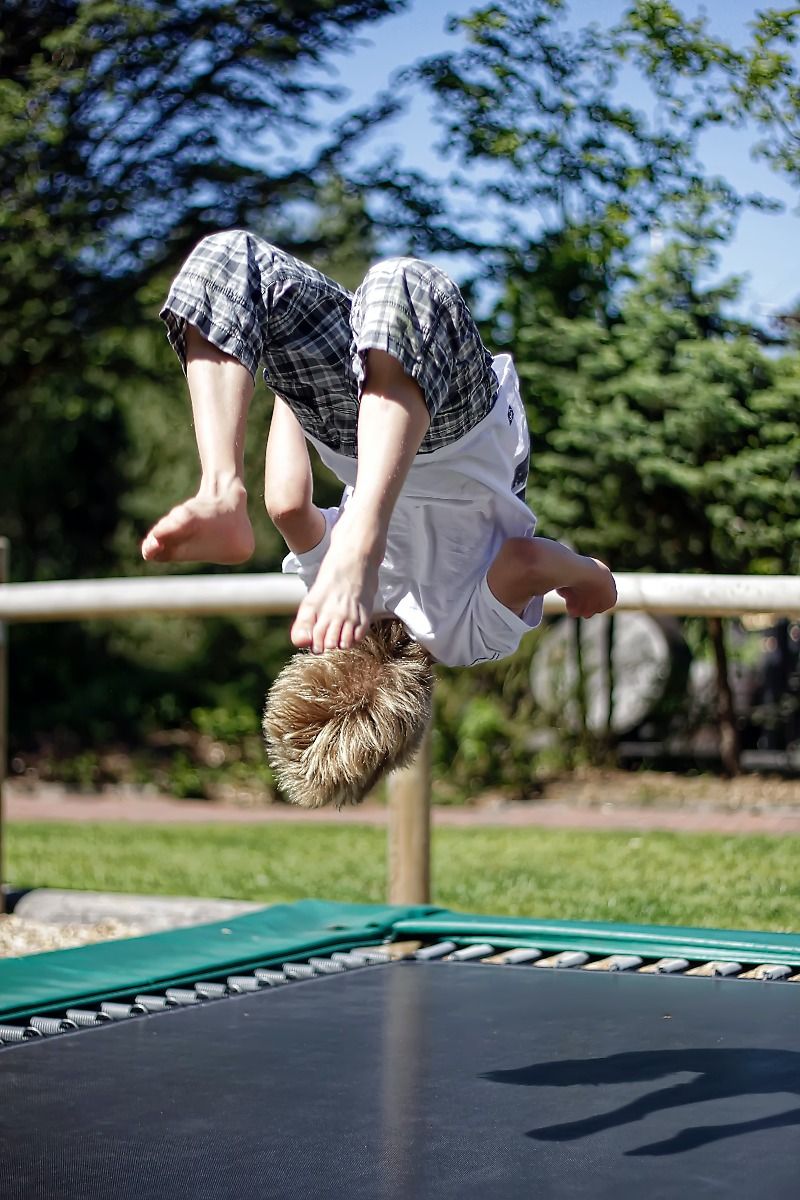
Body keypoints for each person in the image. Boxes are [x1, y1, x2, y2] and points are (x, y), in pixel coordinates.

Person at [142, 230, 617, 805]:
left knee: (404, 288)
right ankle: (221, 488)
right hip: (365, 434)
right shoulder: (329, 591)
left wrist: (591, 578)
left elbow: (527, 559)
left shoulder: (462, 638)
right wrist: (291, 382)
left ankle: (252, 494)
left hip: (457, 436)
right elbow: (287, 504)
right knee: (230, 264)